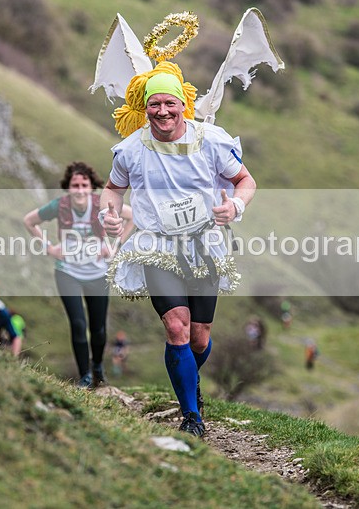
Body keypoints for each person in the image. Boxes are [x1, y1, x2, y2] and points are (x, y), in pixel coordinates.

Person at [99, 61, 256, 437]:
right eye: (155, 105)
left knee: (199, 336)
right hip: (157, 246)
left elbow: (245, 180)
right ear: (145, 107)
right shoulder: (132, 150)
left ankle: (187, 384)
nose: (163, 111)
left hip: (204, 244)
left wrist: (235, 206)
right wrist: (109, 214)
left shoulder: (212, 141)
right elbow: (112, 189)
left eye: (170, 103)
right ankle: (191, 418)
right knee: (177, 327)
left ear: (183, 104)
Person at [23, 161, 133, 388]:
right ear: (68, 187)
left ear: (92, 186)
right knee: (78, 323)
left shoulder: (100, 204)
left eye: (84, 184)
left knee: (99, 328)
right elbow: (29, 221)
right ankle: (84, 376)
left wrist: (114, 247)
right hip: (67, 272)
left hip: (98, 272)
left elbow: (133, 217)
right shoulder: (59, 205)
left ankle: (98, 368)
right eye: (75, 184)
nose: (80, 189)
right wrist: (50, 248)